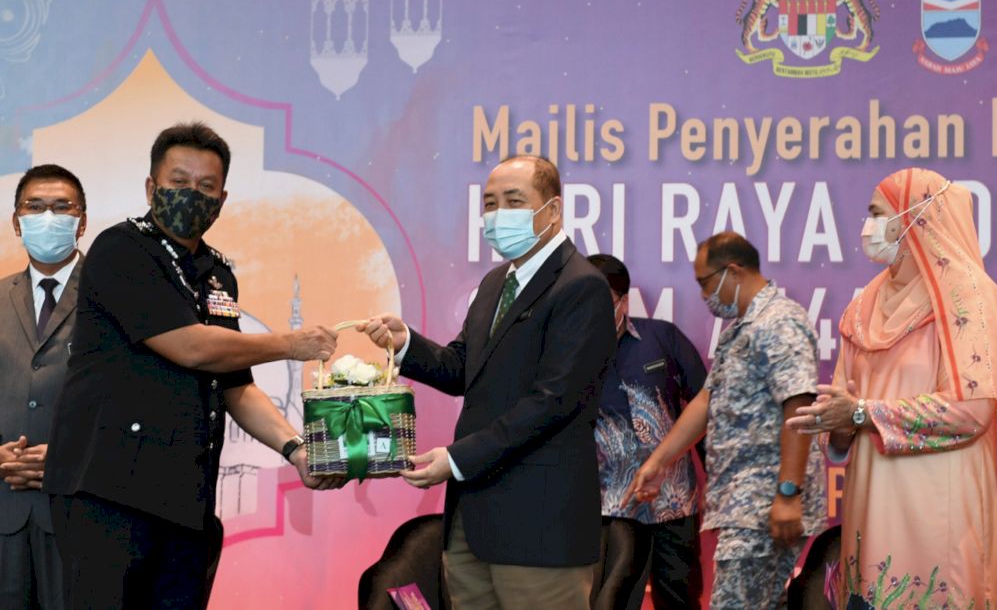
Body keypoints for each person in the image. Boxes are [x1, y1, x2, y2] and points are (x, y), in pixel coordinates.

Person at [42, 123, 345, 609]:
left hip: (186, 499)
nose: (191, 196)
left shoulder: (217, 275)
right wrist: (291, 344)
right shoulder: (122, 249)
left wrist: (296, 450)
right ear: (151, 187)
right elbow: (192, 348)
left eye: (206, 187)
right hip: (109, 495)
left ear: (222, 200)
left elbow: (236, 386)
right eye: (178, 182)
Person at [358, 155, 616, 608]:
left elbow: (553, 401)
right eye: (490, 204)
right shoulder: (496, 283)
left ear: (553, 210)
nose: (498, 216)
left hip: (538, 527)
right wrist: (405, 344)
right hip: (472, 520)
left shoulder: (581, 287)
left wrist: (457, 459)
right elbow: (462, 367)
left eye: (514, 201)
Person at [787, 168, 997, 608]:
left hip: (940, 501)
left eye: (877, 213)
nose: (868, 226)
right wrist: (838, 425)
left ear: (914, 218)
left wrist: (863, 413)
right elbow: (845, 407)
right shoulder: (864, 304)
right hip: (870, 499)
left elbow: (973, 411)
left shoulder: (970, 298)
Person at [623, 232, 827, 609]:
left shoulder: (779, 322)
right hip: (744, 504)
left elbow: (799, 406)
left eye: (705, 282)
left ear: (733, 272)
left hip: (765, 502)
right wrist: (658, 462)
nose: (703, 295)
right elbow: (706, 401)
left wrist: (788, 493)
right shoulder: (739, 331)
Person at [586, 253, 706, 609]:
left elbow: (707, 407)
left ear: (623, 301)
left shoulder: (663, 338)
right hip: (606, 510)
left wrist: (721, 482)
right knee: (608, 602)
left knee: (679, 600)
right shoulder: (567, 356)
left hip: (673, 505)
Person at [0, 164, 88, 609]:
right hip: (5, 509)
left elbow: (132, 401)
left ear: (81, 222)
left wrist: (71, 454)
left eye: (61, 207)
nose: (47, 217)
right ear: (17, 222)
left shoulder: (112, 297)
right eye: (34, 207)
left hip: (80, 510)